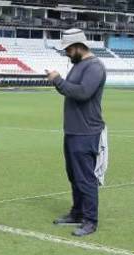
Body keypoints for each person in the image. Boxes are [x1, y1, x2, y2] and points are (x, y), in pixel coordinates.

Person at [45, 29, 107, 237]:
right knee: (74, 176)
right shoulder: (80, 65)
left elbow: (82, 93)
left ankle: (90, 220)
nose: (67, 53)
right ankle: (78, 212)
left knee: (85, 178)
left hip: (87, 131)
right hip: (73, 130)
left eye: (69, 49)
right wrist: (60, 82)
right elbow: (72, 89)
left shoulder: (95, 67)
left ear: (79, 46)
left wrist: (58, 81)